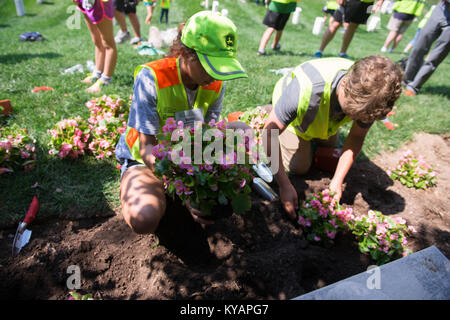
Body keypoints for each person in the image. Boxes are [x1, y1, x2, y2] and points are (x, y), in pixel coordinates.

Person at [115, 11, 248, 234]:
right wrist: (184, 188)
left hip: (189, 152)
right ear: (187, 53)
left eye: (221, 66)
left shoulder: (215, 83)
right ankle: (157, 192)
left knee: (242, 131)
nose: (215, 76)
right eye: (210, 65)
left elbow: (209, 134)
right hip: (146, 159)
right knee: (144, 219)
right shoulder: (152, 78)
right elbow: (147, 147)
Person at [262, 55, 403, 219]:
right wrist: (284, 184)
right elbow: (269, 134)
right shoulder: (306, 90)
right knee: (299, 168)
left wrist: (337, 180)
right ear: (344, 84)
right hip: (297, 114)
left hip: (325, 115)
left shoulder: (372, 96)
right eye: (352, 112)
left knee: (328, 147)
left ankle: (315, 129)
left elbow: (357, 137)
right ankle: (270, 112)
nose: (354, 117)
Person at [403, 0, 449, 96]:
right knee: (418, 47)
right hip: (442, 8)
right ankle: (406, 80)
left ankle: (414, 87)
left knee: (437, 55)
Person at [314, 0, 384, 59]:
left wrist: (380, 1)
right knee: (336, 24)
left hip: (367, 3)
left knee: (353, 26)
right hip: (350, 1)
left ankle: (342, 53)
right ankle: (320, 51)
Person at [75, 0, 118, 93]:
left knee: (108, 43)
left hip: (101, 3)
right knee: (96, 40)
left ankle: (106, 79)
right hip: (86, 2)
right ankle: (97, 73)